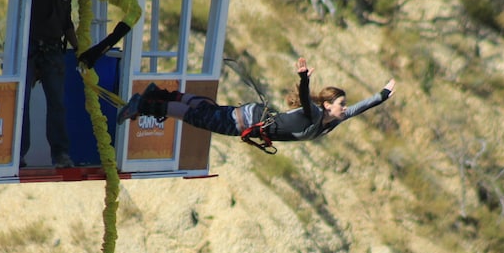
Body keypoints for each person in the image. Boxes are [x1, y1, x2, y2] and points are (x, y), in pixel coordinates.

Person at [117, 57, 397, 151]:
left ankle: (159, 94)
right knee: (194, 116)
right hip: (249, 121)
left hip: (253, 116)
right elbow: (304, 90)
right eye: (340, 105)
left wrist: (382, 96)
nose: (344, 109)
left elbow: (361, 108)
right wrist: (302, 78)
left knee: (202, 110)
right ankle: (144, 104)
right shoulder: (314, 114)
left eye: (344, 106)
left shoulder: (330, 121)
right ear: (327, 105)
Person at [20, 0, 111, 169]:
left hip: (52, 49)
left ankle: (60, 155)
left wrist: (81, 52)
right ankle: (17, 154)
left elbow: (66, 22)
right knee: (22, 100)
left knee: (57, 103)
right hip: (28, 47)